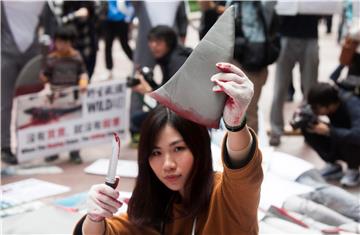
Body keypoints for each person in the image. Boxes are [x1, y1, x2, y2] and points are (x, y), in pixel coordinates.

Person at [74, 62, 263, 235]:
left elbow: (243, 170)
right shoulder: (159, 208)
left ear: (198, 147)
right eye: (156, 152)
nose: (168, 164)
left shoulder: (228, 198)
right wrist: (94, 216)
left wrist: (236, 125)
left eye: (178, 149)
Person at [130, 25, 192, 145]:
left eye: (158, 42)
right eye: (151, 41)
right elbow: (167, 91)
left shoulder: (177, 61)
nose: (153, 46)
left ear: (169, 42)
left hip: (186, 117)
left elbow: (175, 102)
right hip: (180, 111)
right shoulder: (169, 58)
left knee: (139, 119)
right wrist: (149, 83)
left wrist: (148, 91)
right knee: (138, 117)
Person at [1, 1, 45, 165]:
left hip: (31, 54)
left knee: (29, 102)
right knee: (5, 103)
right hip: (6, 54)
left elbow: (49, 23)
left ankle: (27, 143)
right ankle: (4, 146)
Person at [269, 14, 321, 146]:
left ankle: (309, 128)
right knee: (280, 89)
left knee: (311, 90)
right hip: (286, 34)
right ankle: (276, 130)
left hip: (310, 35)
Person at [40, 25, 89, 164]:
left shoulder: (76, 56)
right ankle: (53, 152)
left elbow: (82, 72)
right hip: (56, 97)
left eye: (66, 42)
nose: (62, 45)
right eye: (59, 42)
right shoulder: (51, 58)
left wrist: (84, 80)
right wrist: (42, 77)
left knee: (73, 126)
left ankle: (74, 152)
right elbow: (46, 75)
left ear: (71, 42)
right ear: (55, 42)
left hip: (72, 98)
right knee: (55, 126)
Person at [230, 1, 280, 134]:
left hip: (255, 63)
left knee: (249, 112)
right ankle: (240, 149)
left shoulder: (264, 4)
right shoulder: (234, 3)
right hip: (238, 60)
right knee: (237, 111)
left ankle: (250, 152)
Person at [301, 82, 360, 187]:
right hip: (341, 136)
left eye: (316, 108)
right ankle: (333, 165)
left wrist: (329, 131)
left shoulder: (352, 104)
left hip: (355, 142)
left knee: (343, 136)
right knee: (308, 126)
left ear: (330, 105)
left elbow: (357, 135)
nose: (314, 110)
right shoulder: (328, 101)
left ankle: (353, 170)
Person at [103, 0, 134, 79]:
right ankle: (109, 70)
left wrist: (128, 18)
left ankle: (137, 64)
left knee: (125, 45)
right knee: (107, 46)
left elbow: (131, 6)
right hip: (109, 22)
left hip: (122, 22)